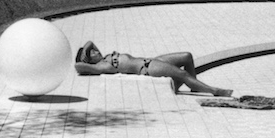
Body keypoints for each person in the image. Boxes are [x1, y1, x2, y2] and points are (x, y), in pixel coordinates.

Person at [75, 41, 233, 97]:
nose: (96, 50)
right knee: (182, 74)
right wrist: (84, 57)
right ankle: (214, 90)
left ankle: (195, 86)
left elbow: (89, 42)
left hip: (151, 60)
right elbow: (78, 66)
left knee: (187, 56)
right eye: (92, 53)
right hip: (147, 68)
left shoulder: (103, 58)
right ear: (89, 59)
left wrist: (86, 50)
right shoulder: (101, 66)